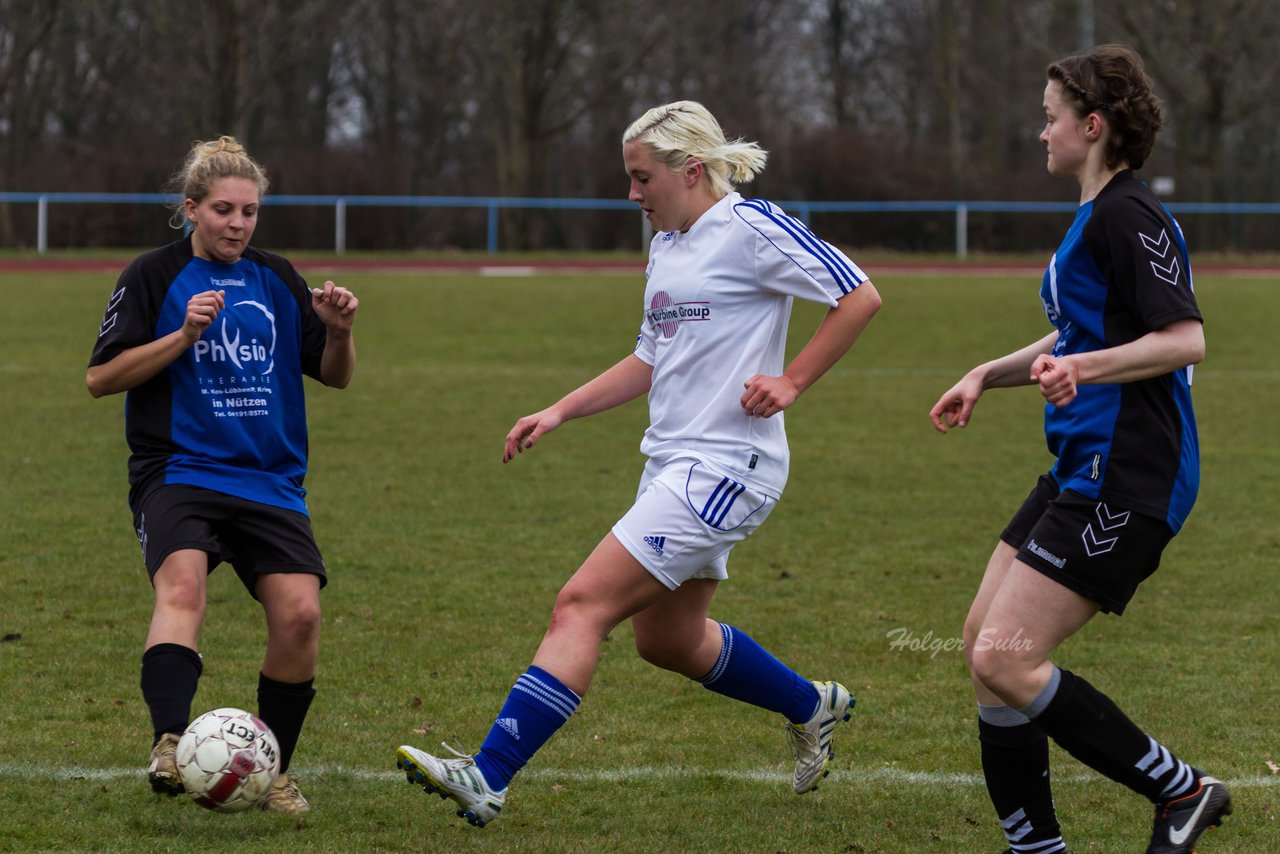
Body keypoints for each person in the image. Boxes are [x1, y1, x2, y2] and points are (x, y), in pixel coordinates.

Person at [396, 100, 881, 827]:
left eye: (641, 177)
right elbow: (651, 357)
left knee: (580, 605)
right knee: (669, 640)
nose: (632, 194)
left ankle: (488, 774)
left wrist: (793, 380)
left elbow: (859, 294)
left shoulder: (751, 228)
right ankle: (811, 705)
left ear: (691, 171)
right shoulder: (666, 244)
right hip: (672, 464)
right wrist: (560, 408)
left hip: (727, 467)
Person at [929, 45, 1230, 854]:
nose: (1042, 132)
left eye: (1051, 117)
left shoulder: (1128, 214)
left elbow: (1185, 339)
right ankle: (1039, 849)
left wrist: (1078, 368)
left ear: (1091, 126)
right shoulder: (1095, 218)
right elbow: (1078, 335)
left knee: (1006, 657)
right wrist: (986, 376)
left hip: (1131, 477)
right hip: (1080, 469)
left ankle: (1184, 791)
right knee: (983, 648)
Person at [86, 136, 359, 814]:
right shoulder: (152, 275)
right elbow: (101, 378)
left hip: (269, 480)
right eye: (223, 210)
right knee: (182, 587)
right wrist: (180, 336)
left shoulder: (276, 277)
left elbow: (332, 376)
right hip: (179, 470)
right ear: (191, 210)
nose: (238, 224)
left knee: (300, 616)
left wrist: (340, 331)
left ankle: (276, 773)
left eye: (250, 212)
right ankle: (168, 743)